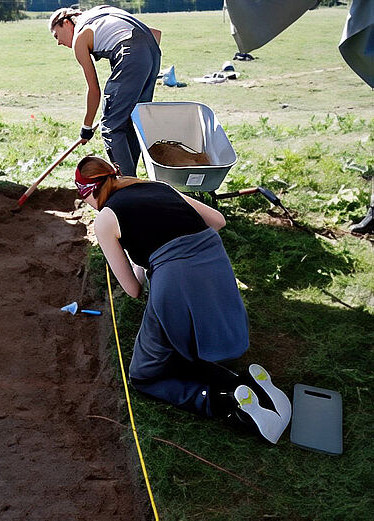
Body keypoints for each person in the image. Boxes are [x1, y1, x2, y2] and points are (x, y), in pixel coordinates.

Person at [76, 155, 292, 443]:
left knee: (146, 375)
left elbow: (133, 289)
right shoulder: (159, 186)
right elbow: (217, 220)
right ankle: (252, 386)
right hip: (214, 263)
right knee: (183, 349)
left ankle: (227, 402)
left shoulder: (105, 219)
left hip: (174, 280)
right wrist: (154, 247)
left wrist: (141, 258)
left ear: (90, 191)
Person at [49, 6, 162, 177]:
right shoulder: (100, 12)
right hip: (152, 53)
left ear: (66, 23)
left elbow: (94, 90)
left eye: (56, 35)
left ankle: (126, 185)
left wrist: (86, 127)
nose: (58, 42)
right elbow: (155, 33)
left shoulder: (80, 38)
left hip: (132, 54)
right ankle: (131, 180)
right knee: (132, 120)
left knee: (111, 127)